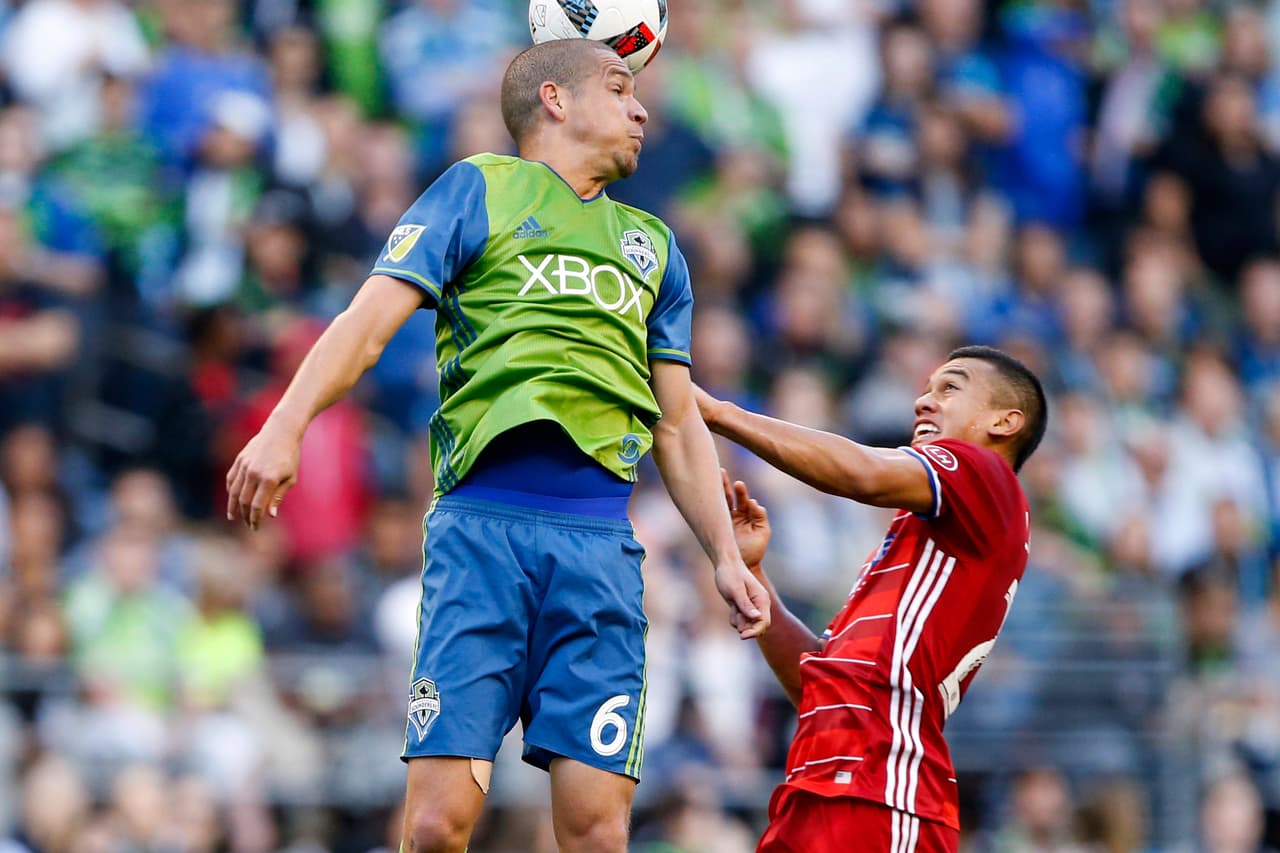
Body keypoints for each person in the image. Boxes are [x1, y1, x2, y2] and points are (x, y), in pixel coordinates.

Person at [225, 38, 770, 853]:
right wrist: (283, 425)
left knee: (596, 831)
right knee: (438, 825)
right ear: (555, 99)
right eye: (620, 87)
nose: (642, 107)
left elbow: (677, 420)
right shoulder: (476, 187)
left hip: (598, 552)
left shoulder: (655, 246)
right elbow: (366, 325)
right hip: (479, 536)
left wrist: (724, 554)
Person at [697, 345, 1048, 853]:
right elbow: (819, 685)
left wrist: (719, 413)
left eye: (950, 388)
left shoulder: (984, 473)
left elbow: (862, 472)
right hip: (815, 793)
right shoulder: (921, 538)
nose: (924, 401)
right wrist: (757, 579)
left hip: (883, 794)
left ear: (1005, 421)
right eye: (925, 389)